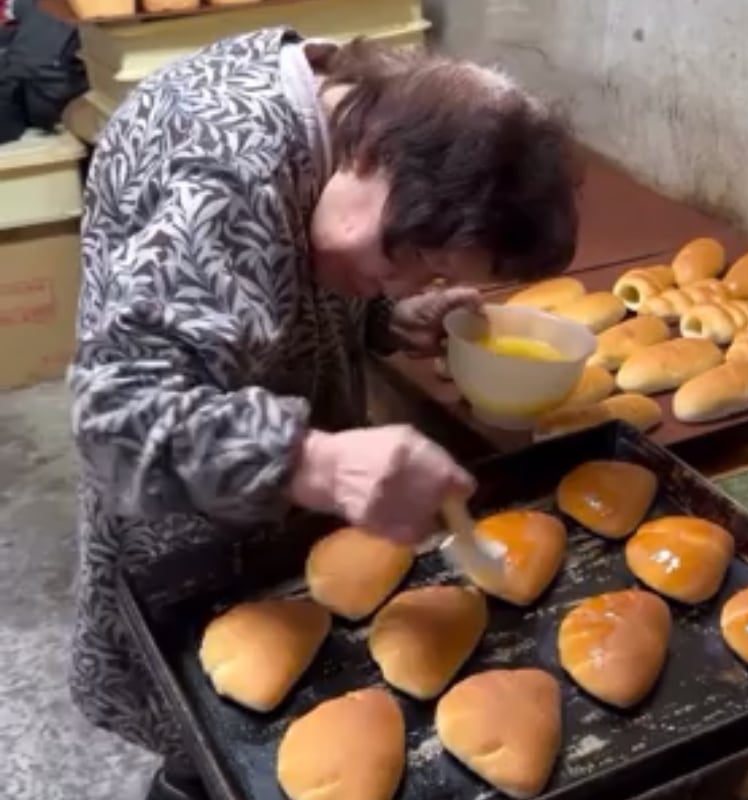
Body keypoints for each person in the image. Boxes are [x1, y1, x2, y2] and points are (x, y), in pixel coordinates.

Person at [68, 26, 578, 800]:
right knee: (216, 736)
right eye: (411, 257)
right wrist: (321, 462)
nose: (401, 277)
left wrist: (386, 317)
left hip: (279, 496)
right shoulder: (222, 174)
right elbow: (118, 421)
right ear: (373, 156)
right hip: (188, 517)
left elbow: (260, 288)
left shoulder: (343, 101)